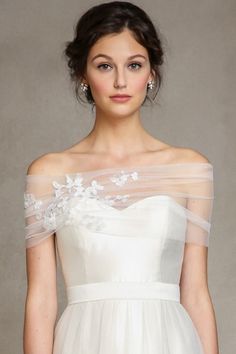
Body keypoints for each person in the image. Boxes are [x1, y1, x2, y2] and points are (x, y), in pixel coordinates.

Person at [23, 1, 219, 353]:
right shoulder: (49, 173)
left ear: (151, 72)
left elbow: (196, 293)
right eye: (104, 66)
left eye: (134, 65)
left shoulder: (190, 170)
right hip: (83, 342)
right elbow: (41, 300)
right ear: (83, 73)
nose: (120, 81)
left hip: (168, 342)